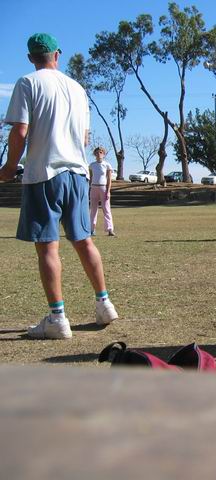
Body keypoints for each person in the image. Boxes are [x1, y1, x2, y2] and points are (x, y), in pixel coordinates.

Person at [0, 33, 118, 339]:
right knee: (84, 241)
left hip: (44, 173)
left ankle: (57, 318)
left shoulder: (27, 83)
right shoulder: (78, 88)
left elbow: (20, 131)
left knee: (47, 247)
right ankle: (104, 304)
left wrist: (10, 167)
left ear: (30, 58)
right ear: (57, 54)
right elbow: (85, 139)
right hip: (77, 174)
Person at [89, 146, 116, 237]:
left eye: (101, 152)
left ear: (104, 154)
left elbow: (109, 180)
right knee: (93, 209)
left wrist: (108, 191)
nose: (99, 154)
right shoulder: (92, 165)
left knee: (106, 209)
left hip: (103, 188)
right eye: (97, 152)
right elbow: (91, 178)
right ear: (94, 154)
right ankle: (91, 229)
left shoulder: (107, 165)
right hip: (94, 188)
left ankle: (110, 229)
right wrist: (89, 187)